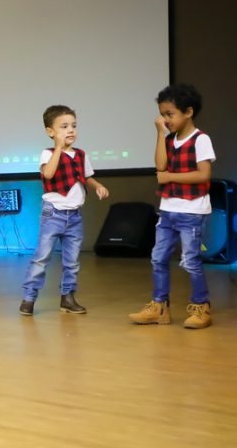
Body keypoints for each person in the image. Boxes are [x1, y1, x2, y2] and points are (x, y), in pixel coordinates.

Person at [129, 84, 215, 329]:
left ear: (188, 112)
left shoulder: (201, 139)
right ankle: (160, 307)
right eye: (162, 115)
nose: (165, 120)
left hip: (192, 211)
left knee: (190, 260)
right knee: (158, 258)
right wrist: (159, 135)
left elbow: (203, 175)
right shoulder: (169, 139)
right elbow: (160, 165)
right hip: (167, 209)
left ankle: (201, 307)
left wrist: (170, 177)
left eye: (170, 114)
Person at [19, 105, 109, 316]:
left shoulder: (81, 154)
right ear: (50, 132)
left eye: (74, 126)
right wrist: (59, 148)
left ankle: (67, 297)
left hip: (74, 216)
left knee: (72, 261)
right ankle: (29, 297)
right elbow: (48, 174)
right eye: (64, 127)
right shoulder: (47, 153)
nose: (71, 131)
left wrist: (97, 186)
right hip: (53, 214)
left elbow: (86, 177)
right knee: (42, 258)